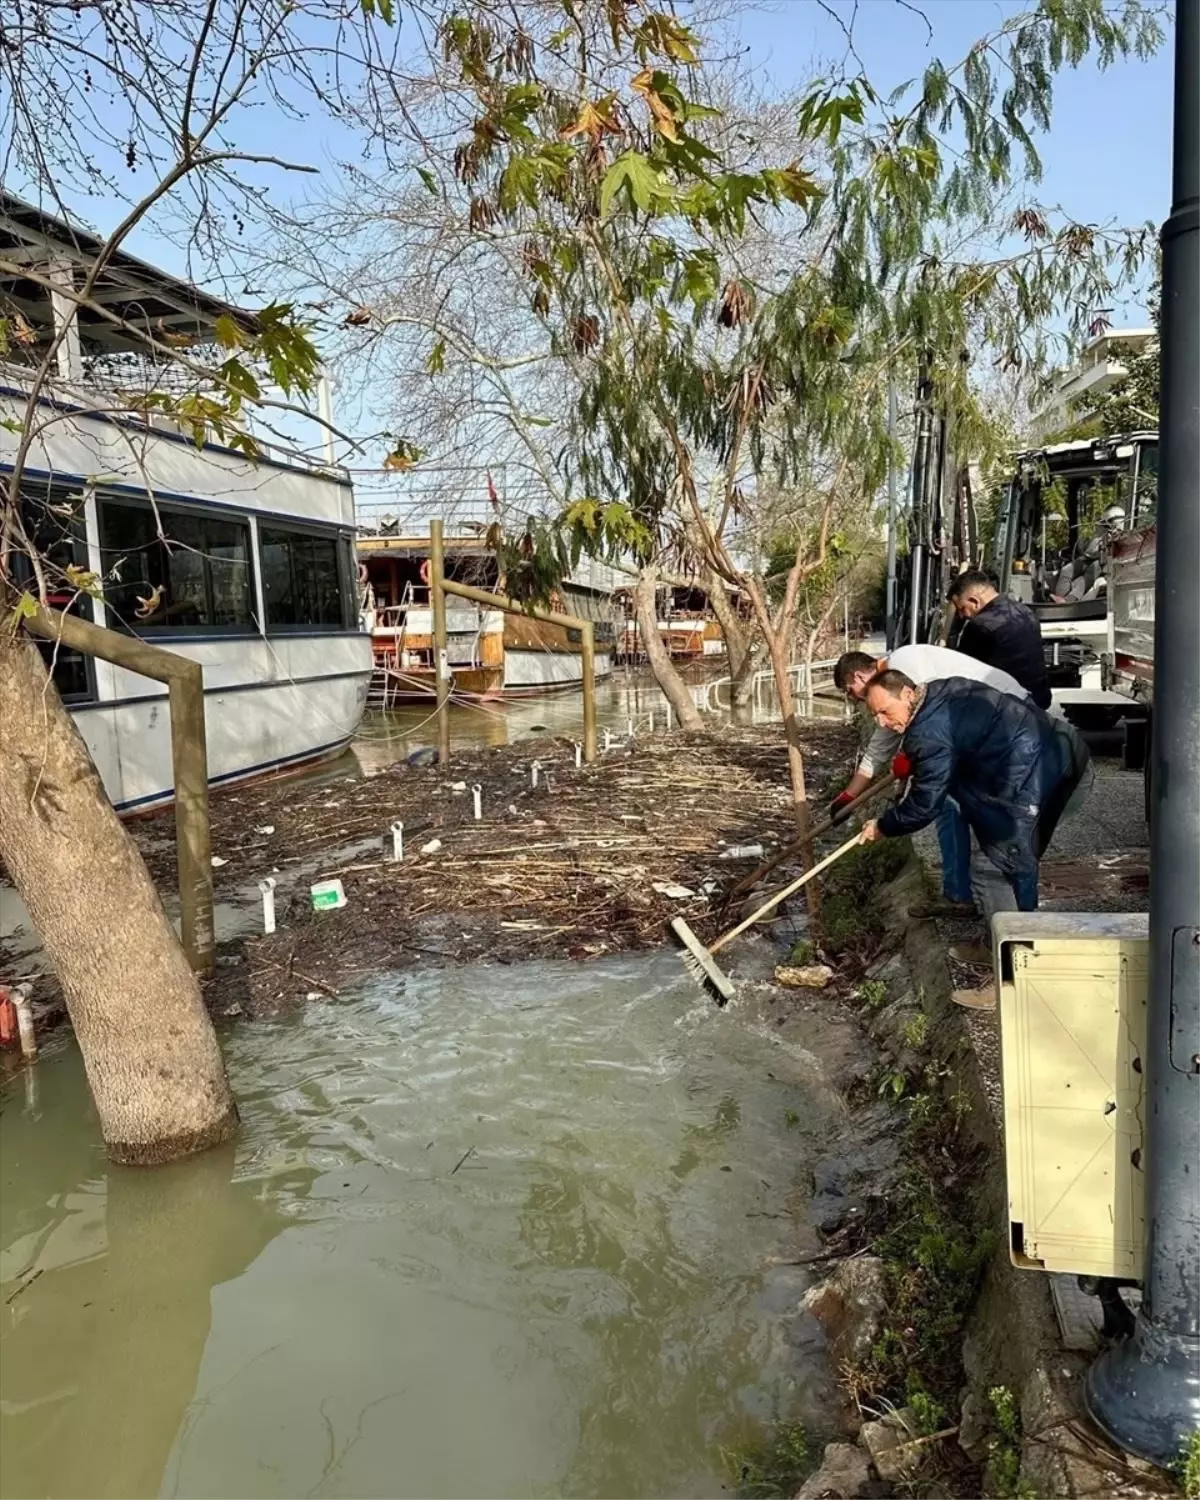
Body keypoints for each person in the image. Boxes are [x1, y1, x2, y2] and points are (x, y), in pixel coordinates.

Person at [858, 669, 1087, 1009]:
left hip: (1044, 772)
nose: (881, 722)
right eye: (874, 714)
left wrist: (884, 826)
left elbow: (924, 805)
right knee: (997, 857)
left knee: (997, 867)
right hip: (1039, 757)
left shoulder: (928, 732)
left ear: (907, 694)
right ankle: (995, 939)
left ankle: (1011, 978)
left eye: (884, 711)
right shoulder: (937, 691)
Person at [831, 645, 1032, 920]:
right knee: (951, 808)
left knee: (950, 806)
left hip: (1007, 715)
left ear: (857, 678)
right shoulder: (886, 695)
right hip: (972, 736)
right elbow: (880, 746)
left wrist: (907, 760)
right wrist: (848, 796)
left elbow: (927, 720)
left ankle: (990, 907)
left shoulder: (903, 665)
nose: (853, 699)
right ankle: (961, 895)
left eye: (848, 691)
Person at [947, 569, 1052, 709]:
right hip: (1039, 700)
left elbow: (962, 672)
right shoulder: (1025, 611)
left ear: (974, 601)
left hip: (1007, 709)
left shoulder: (980, 626)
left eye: (962, 609)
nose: (961, 616)